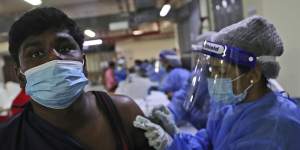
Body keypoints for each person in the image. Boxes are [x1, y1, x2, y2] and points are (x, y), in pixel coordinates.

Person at [133, 16, 300, 150]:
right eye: (212, 72)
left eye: (221, 72)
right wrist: (174, 140)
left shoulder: (274, 127)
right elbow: (207, 143)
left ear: (254, 74)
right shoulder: (230, 109)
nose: (214, 80)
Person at [0, 7, 153, 150]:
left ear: (83, 64)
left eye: (65, 48)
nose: (54, 58)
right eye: (36, 54)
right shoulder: (8, 139)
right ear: (21, 77)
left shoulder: (123, 113)